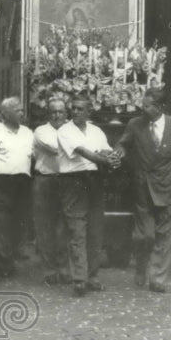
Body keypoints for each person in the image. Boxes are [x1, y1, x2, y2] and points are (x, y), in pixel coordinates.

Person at [113, 88, 171, 293]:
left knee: (165, 234)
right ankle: (141, 265)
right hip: (143, 186)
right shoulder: (135, 124)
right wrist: (119, 150)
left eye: (147, 106)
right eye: (142, 105)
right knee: (144, 235)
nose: (142, 109)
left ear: (160, 107)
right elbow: (123, 142)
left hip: (168, 186)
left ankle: (157, 278)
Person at [58, 97, 118, 297]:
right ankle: (79, 279)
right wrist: (108, 161)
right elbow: (87, 154)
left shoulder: (96, 131)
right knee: (77, 230)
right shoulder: (64, 131)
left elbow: (106, 150)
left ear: (88, 111)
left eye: (80, 109)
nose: (75, 112)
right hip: (73, 181)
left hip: (94, 180)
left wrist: (114, 157)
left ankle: (92, 277)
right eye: (73, 109)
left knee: (95, 229)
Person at [0, 97, 34, 278]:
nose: (21, 112)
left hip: (22, 184)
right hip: (1, 183)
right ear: (5, 114)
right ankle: (5, 264)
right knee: (1, 224)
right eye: (17, 110)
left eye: (21, 109)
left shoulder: (27, 132)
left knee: (19, 223)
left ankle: (1, 256)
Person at [31, 97, 71, 285]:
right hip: (45, 181)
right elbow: (56, 150)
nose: (57, 115)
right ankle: (49, 269)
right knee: (45, 226)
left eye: (60, 111)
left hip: (66, 181)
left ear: (66, 113)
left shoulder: (71, 130)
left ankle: (63, 267)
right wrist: (76, 148)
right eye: (53, 111)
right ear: (49, 113)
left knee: (64, 226)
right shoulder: (41, 131)